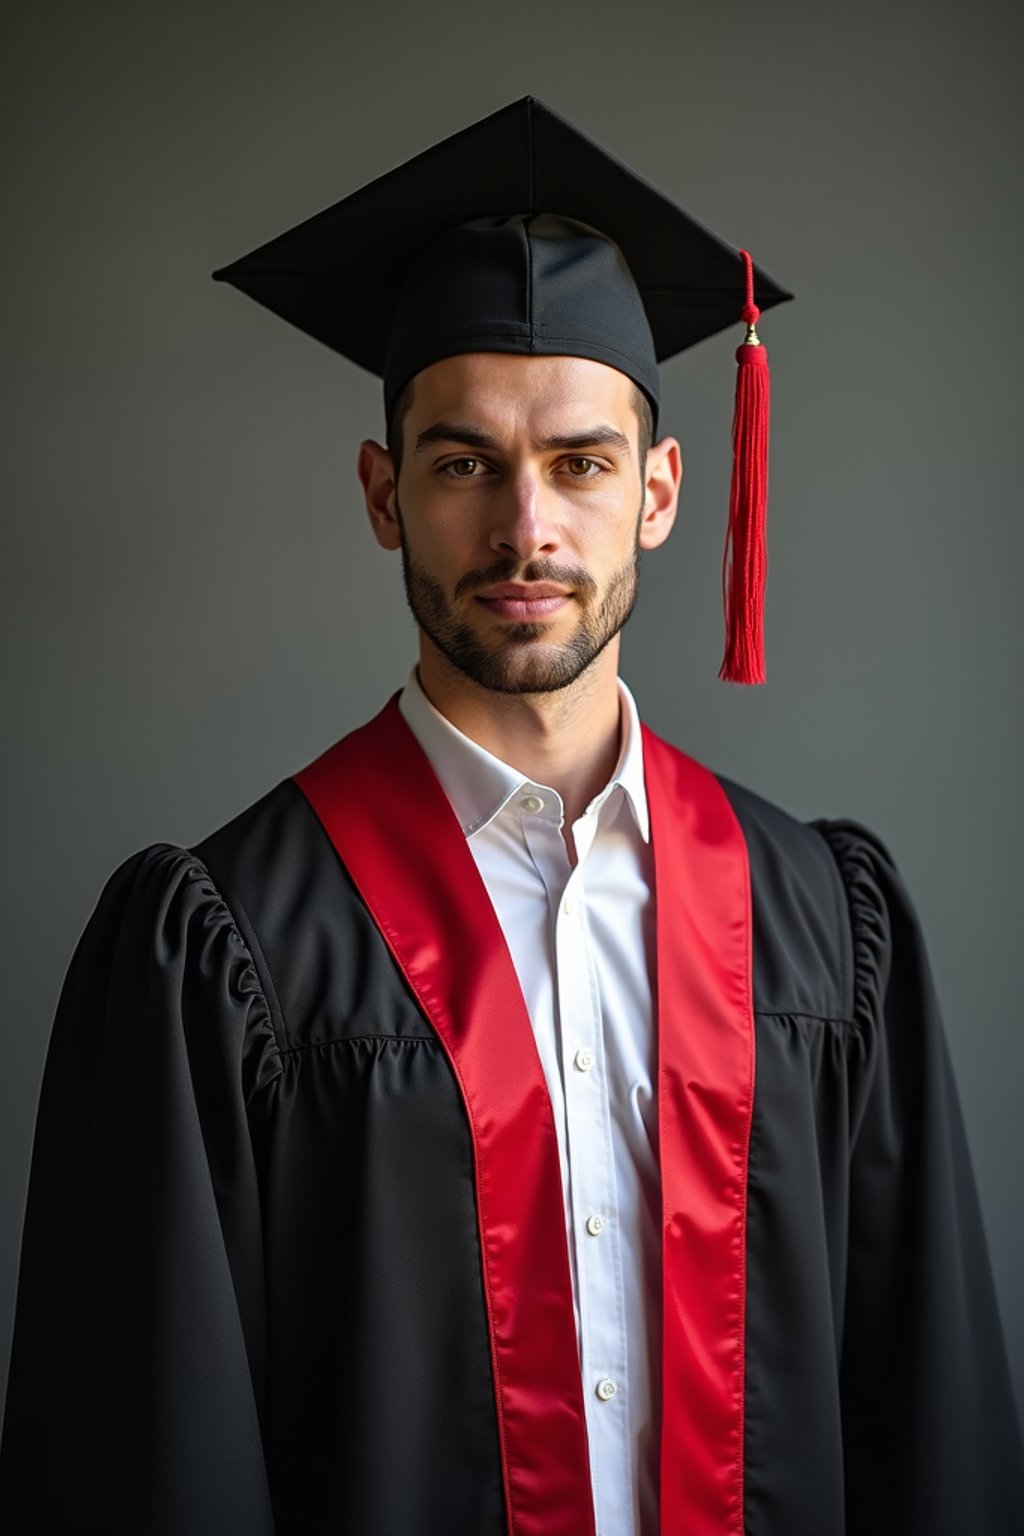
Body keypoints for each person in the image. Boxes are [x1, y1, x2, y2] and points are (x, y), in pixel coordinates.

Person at [1, 96, 1021, 1536]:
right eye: (464, 461)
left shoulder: (820, 925)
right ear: (382, 494)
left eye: (581, 464)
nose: (525, 528)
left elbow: (937, 1430)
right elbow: (146, 1458)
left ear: (662, 492)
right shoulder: (221, 952)